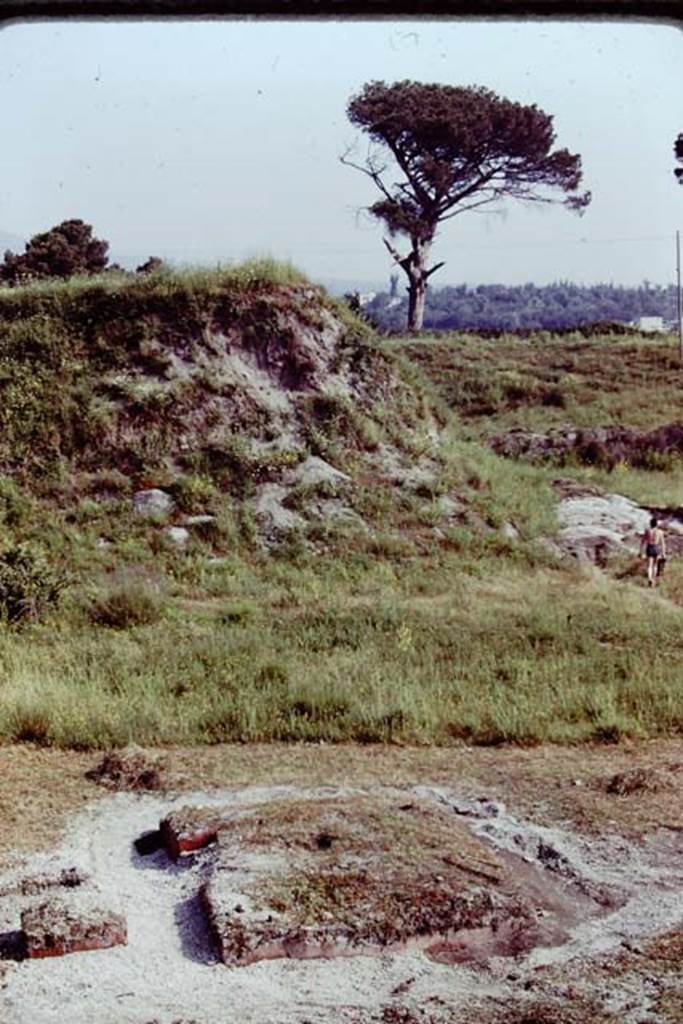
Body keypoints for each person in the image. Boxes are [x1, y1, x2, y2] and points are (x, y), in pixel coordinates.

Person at [640, 517, 666, 588]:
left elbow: (643, 542)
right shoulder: (660, 532)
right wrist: (663, 553)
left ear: (650, 524)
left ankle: (649, 578)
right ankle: (653, 580)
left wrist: (641, 551)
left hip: (650, 547)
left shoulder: (647, 531)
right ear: (656, 524)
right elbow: (663, 543)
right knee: (655, 565)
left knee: (649, 565)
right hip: (656, 547)